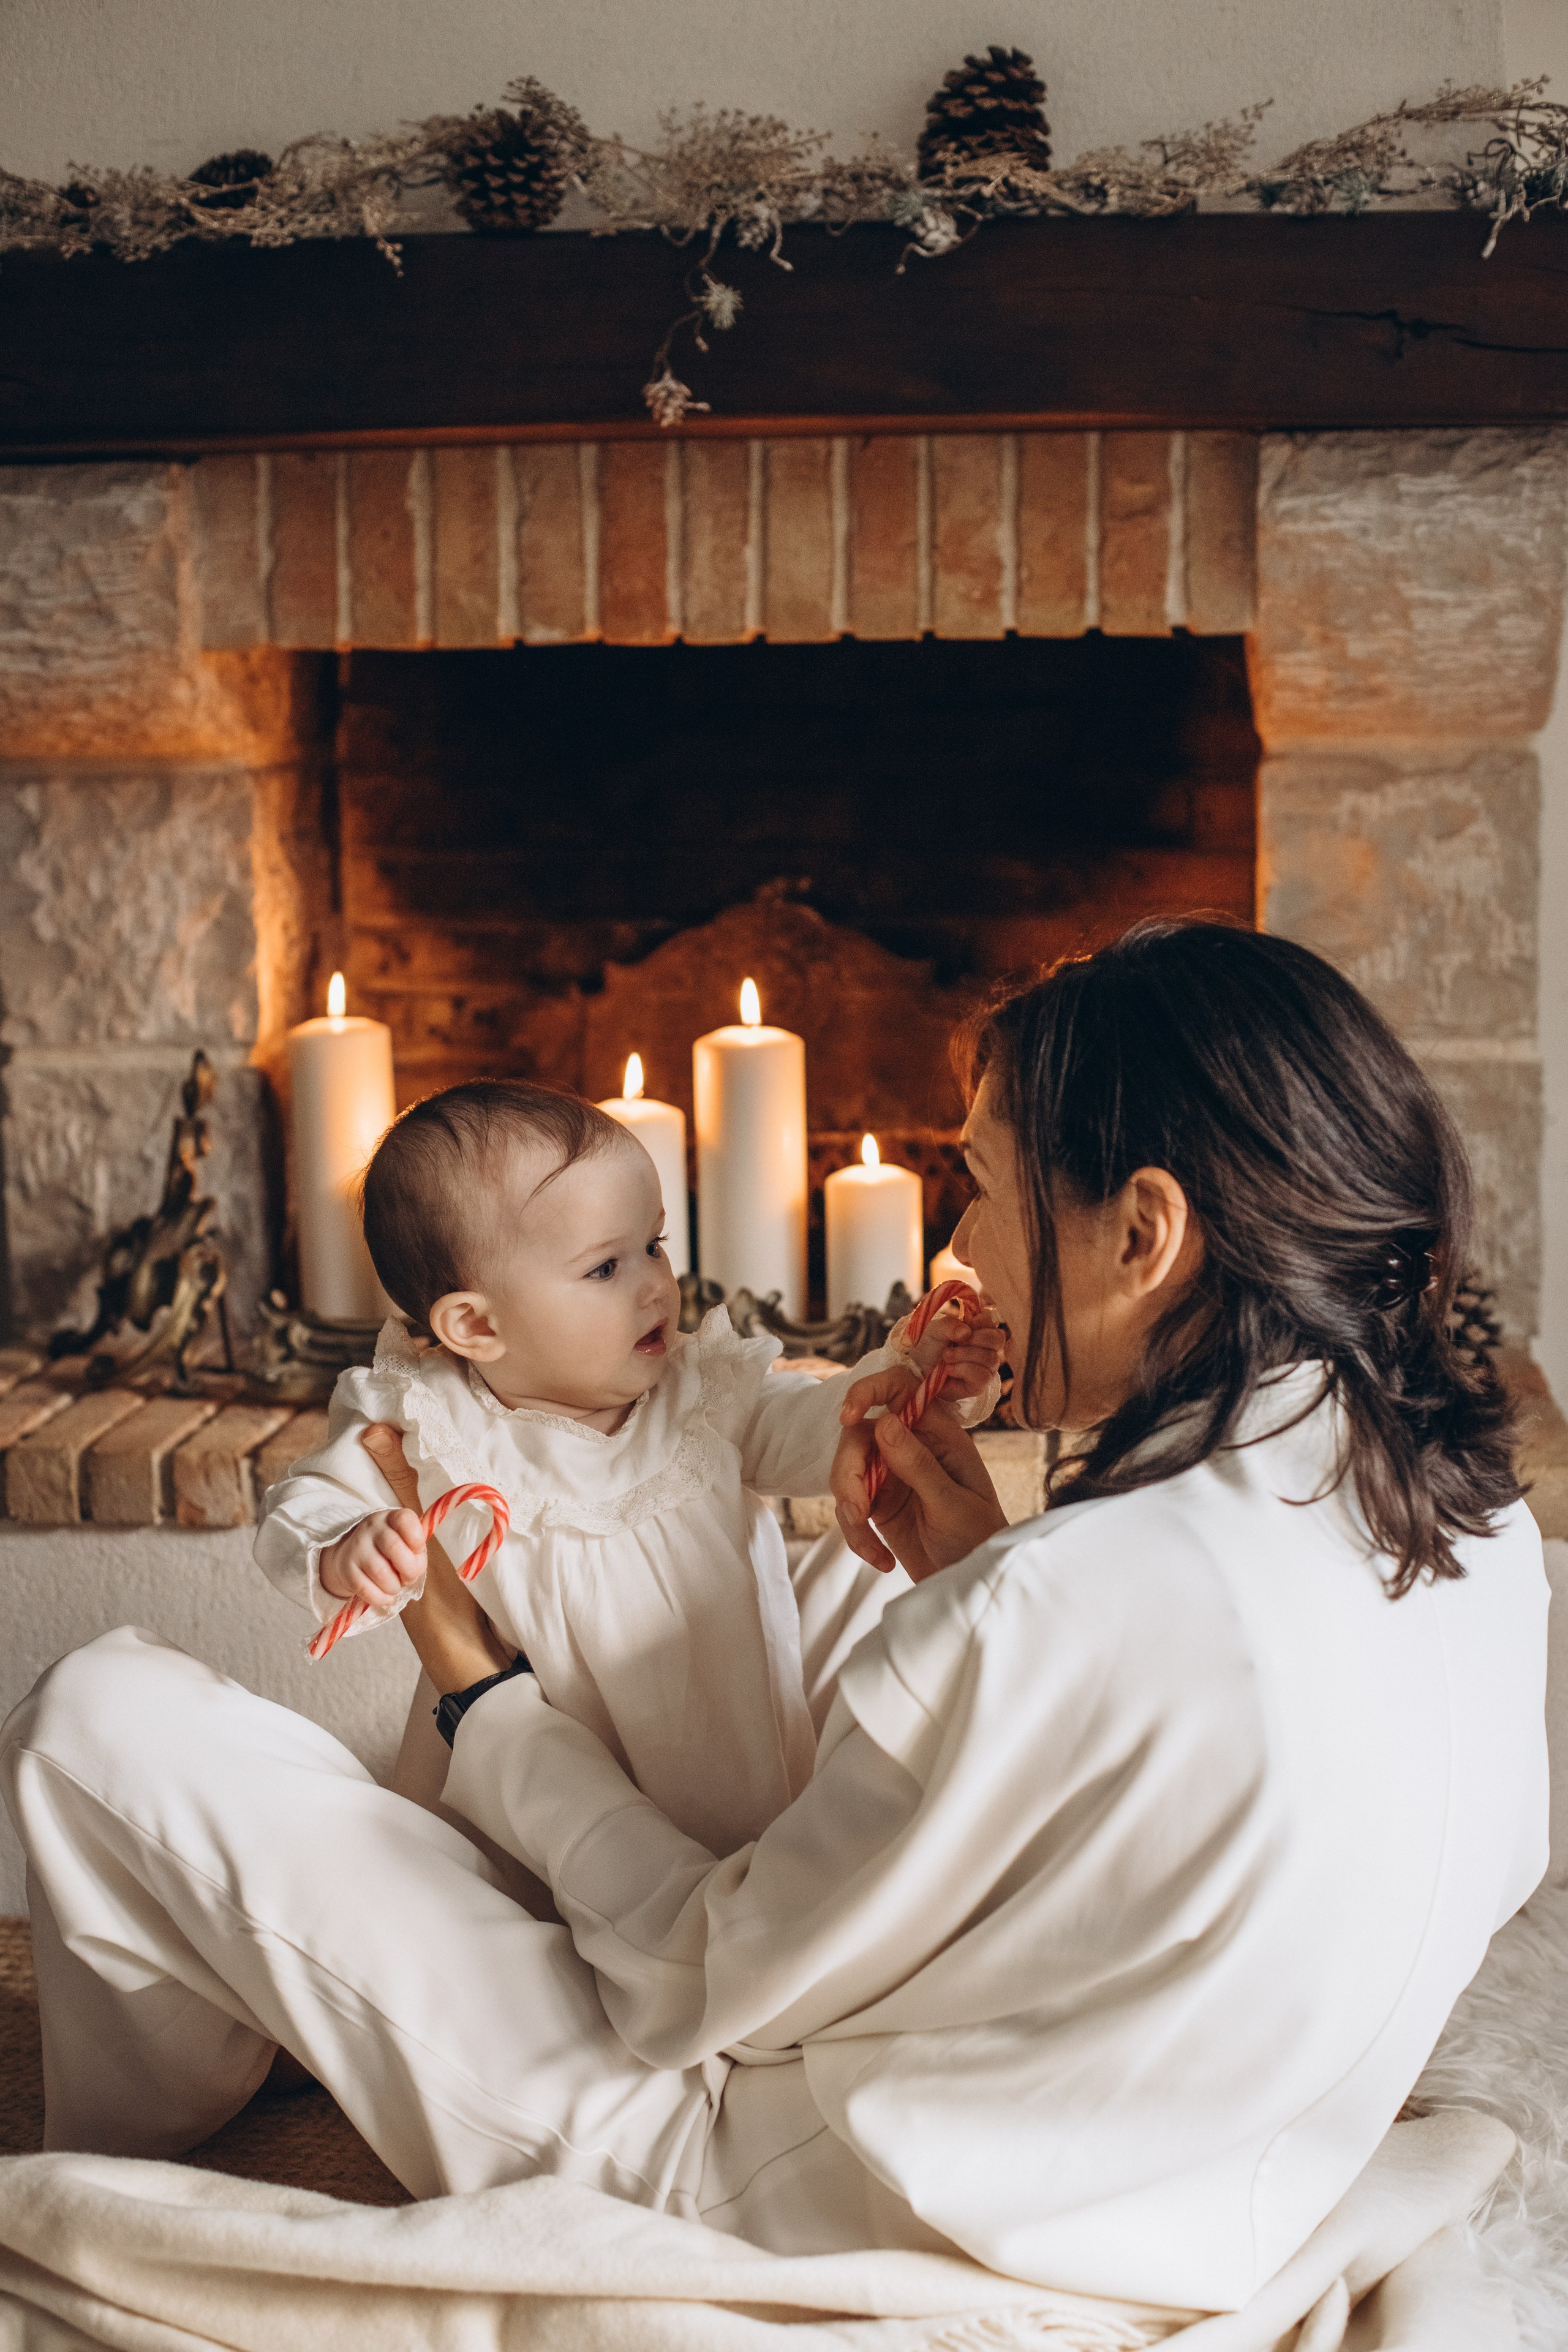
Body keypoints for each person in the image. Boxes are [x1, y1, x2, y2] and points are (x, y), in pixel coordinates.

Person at [0, 921, 1549, 2320]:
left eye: (984, 1185)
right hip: (1196, 2182)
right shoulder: (1483, 1541)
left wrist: (478, 1690)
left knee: (97, 1718)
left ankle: (191, 2104)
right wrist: (971, 1578)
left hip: (779, 2179)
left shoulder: (1057, 1604)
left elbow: (694, 1984)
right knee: (793, 1567)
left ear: (1142, 1234)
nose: (961, 1250)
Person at [255, 1078, 1001, 1852]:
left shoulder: (698, 1393)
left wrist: (907, 1374)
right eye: (604, 1269)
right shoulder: (429, 1419)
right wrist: (343, 1547)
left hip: (719, 1745)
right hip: (527, 1787)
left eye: (654, 1245)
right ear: (475, 1325)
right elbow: (307, 1499)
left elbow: (817, 1429)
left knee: (727, 1851)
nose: (655, 1285)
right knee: (493, 1883)